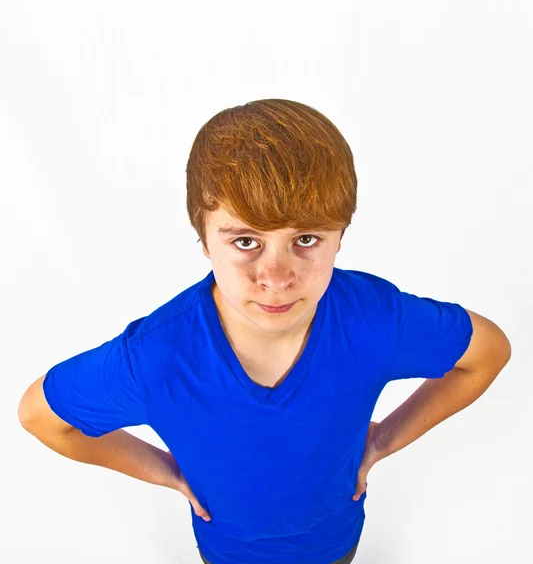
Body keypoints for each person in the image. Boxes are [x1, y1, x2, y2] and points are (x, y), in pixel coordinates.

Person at [18, 99, 512, 564]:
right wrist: (166, 471)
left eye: (305, 239)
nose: (276, 278)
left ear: (341, 236)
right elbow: (41, 415)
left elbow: (488, 352)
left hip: (335, 542)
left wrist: (383, 442)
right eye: (246, 241)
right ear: (204, 239)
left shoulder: (376, 320)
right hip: (228, 552)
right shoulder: (156, 357)